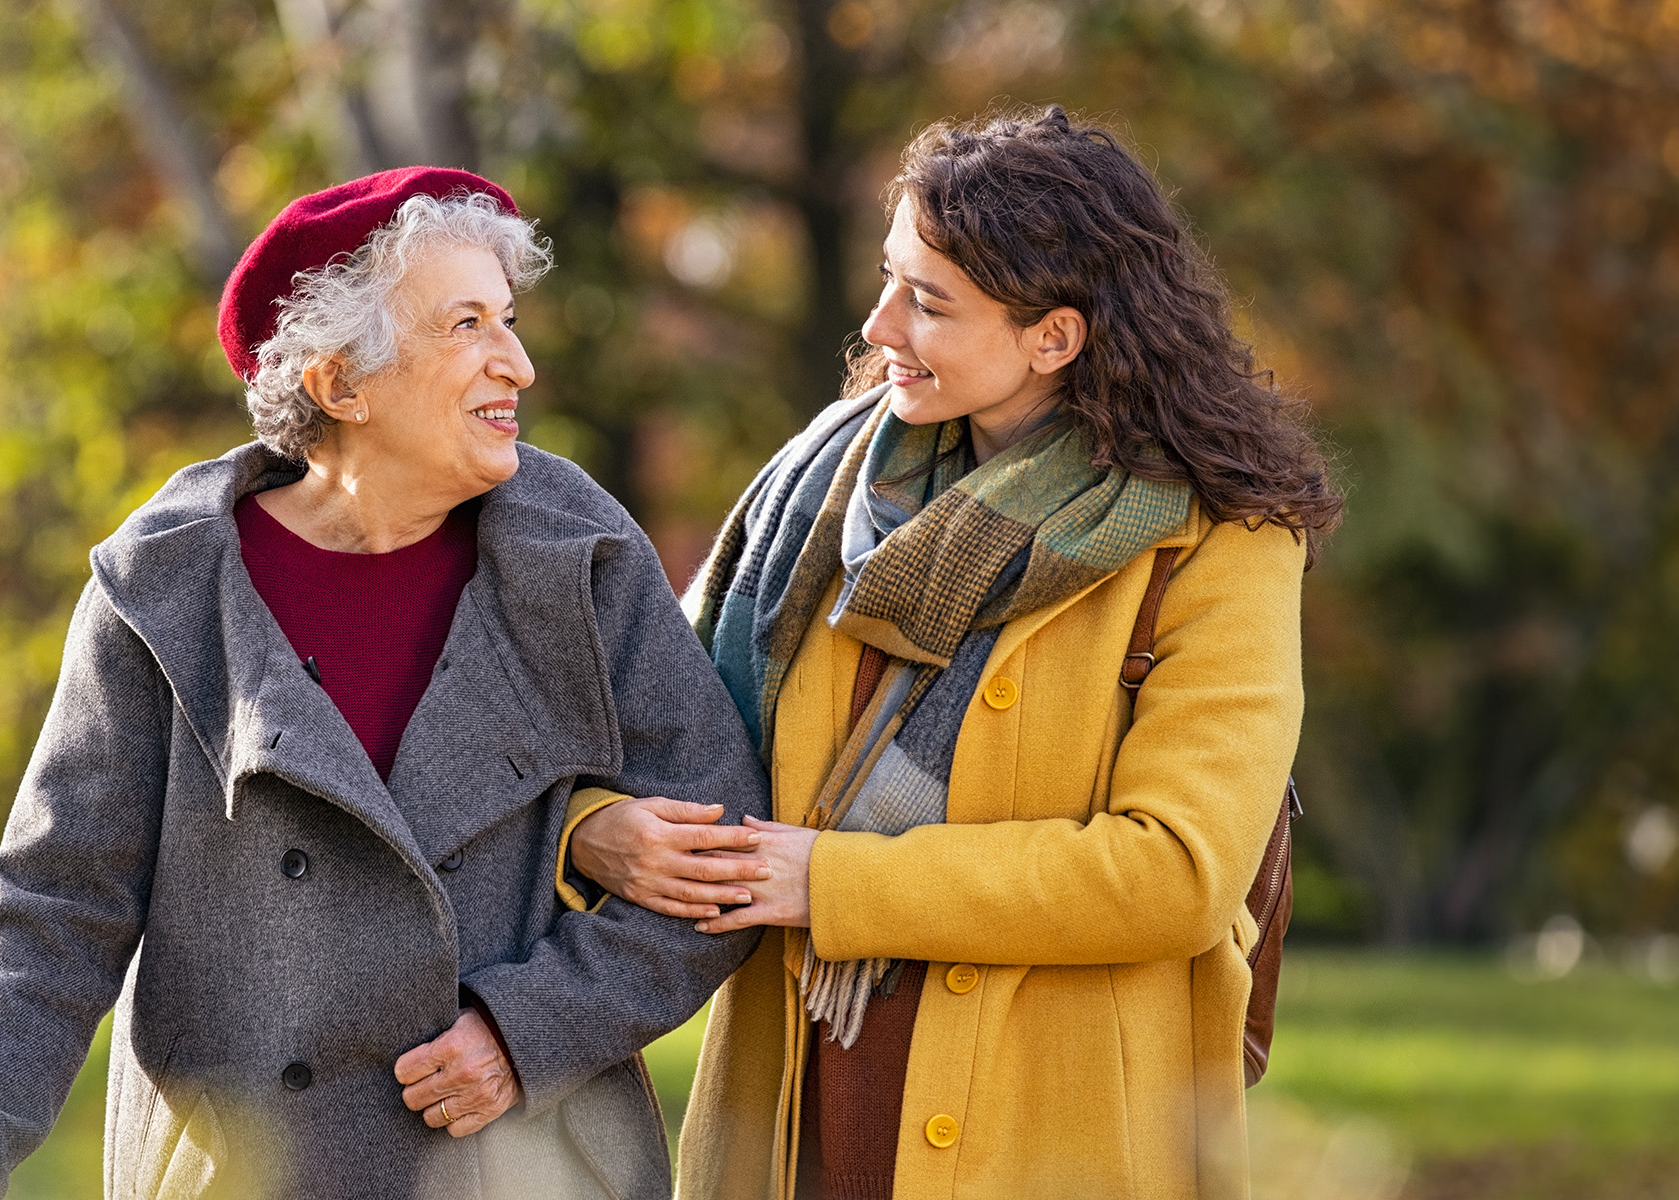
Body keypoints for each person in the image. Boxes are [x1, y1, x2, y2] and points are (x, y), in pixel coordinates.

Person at [0, 168, 769, 1200]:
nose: (514, 361)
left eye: (507, 321)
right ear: (342, 386)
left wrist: (532, 1029)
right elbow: (59, 902)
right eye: (466, 325)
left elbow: (719, 852)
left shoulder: (581, 555)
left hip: (522, 1162)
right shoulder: (164, 591)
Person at [562, 108, 1343, 1199]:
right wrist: (597, 833)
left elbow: (1172, 874)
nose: (879, 325)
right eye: (889, 281)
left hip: (1053, 1136)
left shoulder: (1219, 542)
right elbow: (640, 737)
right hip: (792, 1120)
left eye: (927, 303)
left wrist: (832, 883)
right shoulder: (820, 498)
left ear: (1052, 338)